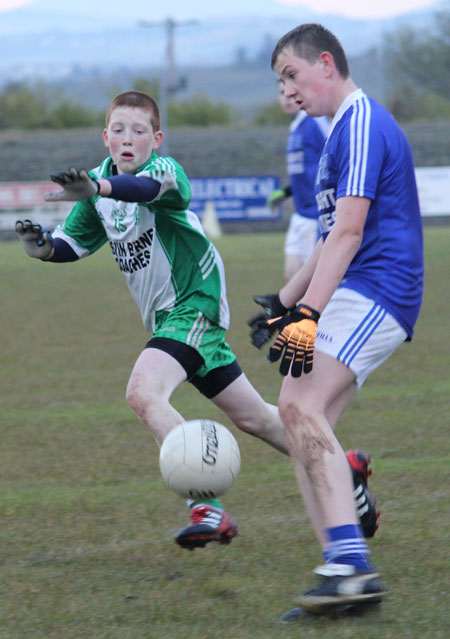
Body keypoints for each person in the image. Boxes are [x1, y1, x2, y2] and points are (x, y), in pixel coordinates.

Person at [15, 90, 292, 551]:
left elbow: (144, 190)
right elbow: (72, 245)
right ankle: (344, 471)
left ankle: (207, 508)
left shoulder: (164, 171)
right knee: (258, 419)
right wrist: (42, 248)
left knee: (142, 392)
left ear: (155, 139)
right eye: (119, 130)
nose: (128, 140)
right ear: (105, 137)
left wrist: (97, 189)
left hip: (195, 303)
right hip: (171, 320)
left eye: (139, 132)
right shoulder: (99, 187)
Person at [250, 24, 424, 617]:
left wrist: (306, 315)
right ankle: (340, 570)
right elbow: (328, 238)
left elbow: (350, 234)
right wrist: (283, 301)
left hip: (380, 287)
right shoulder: (335, 135)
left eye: (291, 75)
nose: (288, 90)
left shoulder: (364, 121)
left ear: (326, 64)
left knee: (298, 408)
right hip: (357, 286)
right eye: (280, 82)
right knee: (303, 420)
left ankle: (351, 565)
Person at [267, 79, 329, 282]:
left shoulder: (315, 122)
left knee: (309, 284)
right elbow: (303, 172)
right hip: (300, 214)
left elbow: (332, 158)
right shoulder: (296, 127)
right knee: (291, 277)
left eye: (290, 92)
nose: (286, 97)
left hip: (315, 215)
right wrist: (285, 192)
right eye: (281, 92)